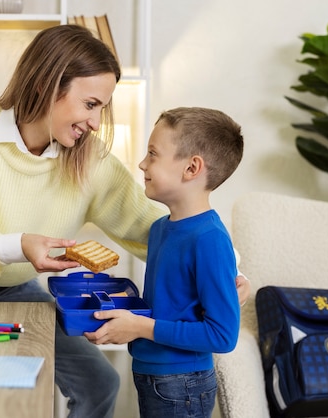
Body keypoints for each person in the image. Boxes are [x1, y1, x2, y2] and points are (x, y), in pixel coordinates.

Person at [0, 25, 250, 418]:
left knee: (100, 383)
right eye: (91, 104)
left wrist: (231, 268)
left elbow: (155, 222)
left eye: (102, 108)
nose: (97, 122)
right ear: (48, 86)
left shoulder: (89, 159)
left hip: (8, 284)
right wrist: (19, 245)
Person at [84, 107, 244, 418]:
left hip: (184, 385)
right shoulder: (161, 228)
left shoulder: (209, 239)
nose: (142, 163)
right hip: (153, 374)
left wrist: (139, 326)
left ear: (191, 167)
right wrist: (124, 310)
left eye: (153, 154)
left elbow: (222, 336)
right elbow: (169, 304)